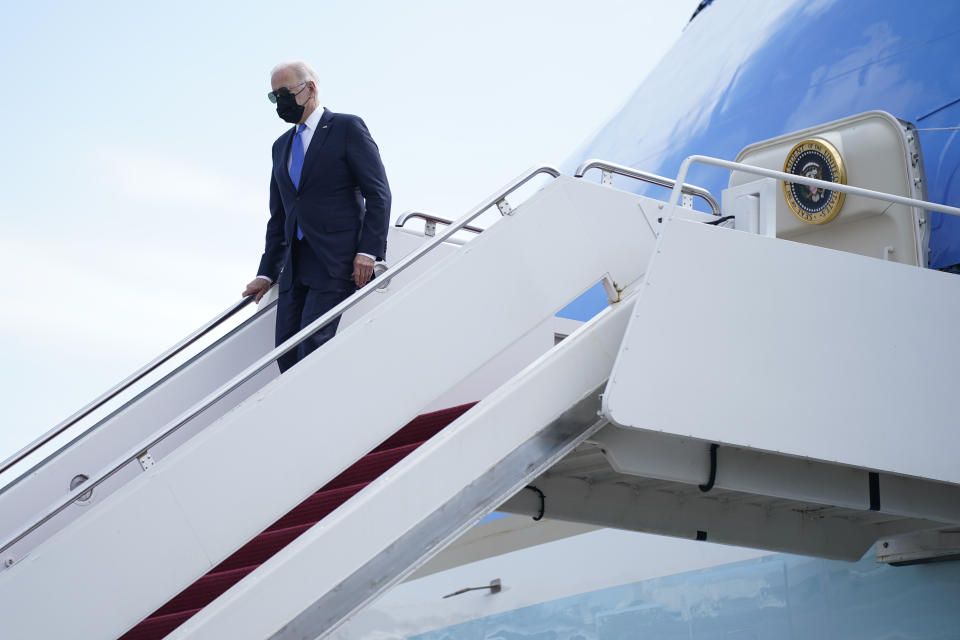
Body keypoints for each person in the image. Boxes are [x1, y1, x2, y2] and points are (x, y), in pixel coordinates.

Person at [243, 61, 391, 372]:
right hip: (295, 268)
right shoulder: (281, 146)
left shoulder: (346, 128)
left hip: (334, 260)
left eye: (285, 94)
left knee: (313, 350)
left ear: (310, 89)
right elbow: (280, 214)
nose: (280, 103)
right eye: (274, 97)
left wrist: (368, 251)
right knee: (285, 354)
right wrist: (267, 272)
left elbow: (378, 193)